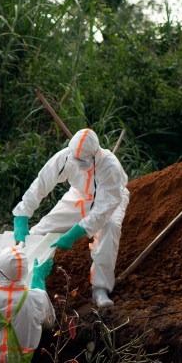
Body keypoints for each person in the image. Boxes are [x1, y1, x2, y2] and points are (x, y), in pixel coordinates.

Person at [12, 129, 129, 309]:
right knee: (43, 228)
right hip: (79, 196)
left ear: (95, 155)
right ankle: (14, 267)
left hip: (111, 200)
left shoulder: (110, 167)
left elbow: (102, 210)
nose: (78, 165)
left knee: (110, 227)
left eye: (82, 162)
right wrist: (22, 214)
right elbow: (42, 182)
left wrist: (74, 233)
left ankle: (100, 288)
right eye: (76, 160)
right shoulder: (66, 157)